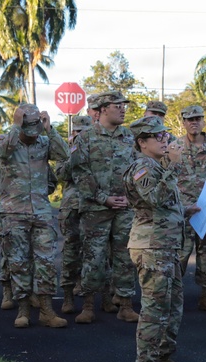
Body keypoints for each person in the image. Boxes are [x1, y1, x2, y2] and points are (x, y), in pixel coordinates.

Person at [124, 116, 200, 362]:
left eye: (165, 136)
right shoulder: (142, 167)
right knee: (154, 310)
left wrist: (184, 210)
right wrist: (172, 167)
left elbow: (161, 205)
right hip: (151, 248)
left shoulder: (156, 166)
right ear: (142, 142)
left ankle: (163, 358)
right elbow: (153, 198)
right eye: (158, 137)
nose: (165, 140)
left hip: (166, 247)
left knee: (171, 307)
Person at [0, 103, 69, 329]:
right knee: (18, 263)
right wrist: (17, 126)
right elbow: (1, 153)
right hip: (13, 211)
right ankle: (23, 309)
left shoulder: (44, 142)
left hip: (41, 211)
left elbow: (64, 155)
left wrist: (50, 129)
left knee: (46, 261)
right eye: (29, 126)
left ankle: (46, 310)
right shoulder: (5, 141)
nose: (32, 132)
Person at [69, 90, 139, 324]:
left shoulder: (129, 137)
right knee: (94, 257)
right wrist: (102, 198)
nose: (122, 108)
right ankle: (89, 305)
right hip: (95, 208)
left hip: (124, 208)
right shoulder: (86, 137)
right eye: (117, 105)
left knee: (125, 257)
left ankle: (125, 304)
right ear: (102, 109)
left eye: (123, 105)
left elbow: (137, 170)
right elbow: (80, 173)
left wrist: (132, 197)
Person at [170, 105, 206, 313]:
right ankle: (172, 295)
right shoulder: (174, 148)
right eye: (189, 119)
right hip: (182, 209)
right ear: (184, 123)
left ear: (204, 122)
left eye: (197, 119)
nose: (193, 122)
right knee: (179, 253)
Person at [55, 115, 92, 314]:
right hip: (72, 207)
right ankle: (68, 295)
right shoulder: (67, 152)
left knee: (95, 253)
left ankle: (93, 297)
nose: (79, 136)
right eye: (77, 132)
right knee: (71, 250)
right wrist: (74, 154)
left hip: (94, 206)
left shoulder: (97, 149)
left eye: (84, 132)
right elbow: (60, 174)